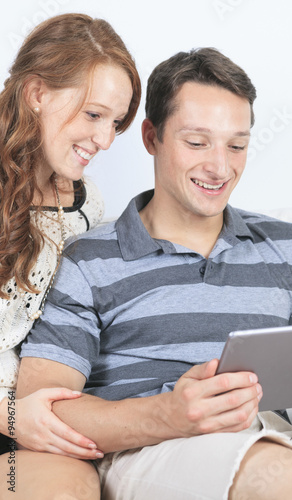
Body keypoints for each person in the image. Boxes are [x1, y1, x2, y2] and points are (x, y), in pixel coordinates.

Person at [9, 48, 292, 499]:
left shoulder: (290, 247)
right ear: (151, 136)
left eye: (237, 145)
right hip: (159, 448)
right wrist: (169, 414)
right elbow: (44, 410)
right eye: (197, 143)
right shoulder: (88, 259)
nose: (221, 167)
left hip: (283, 433)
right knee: (287, 478)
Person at [0, 9, 140, 479]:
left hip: (41, 421)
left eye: (116, 122)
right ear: (37, 93)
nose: (104, 139)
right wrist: (13, 417)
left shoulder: (86, 205)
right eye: (94, 114)